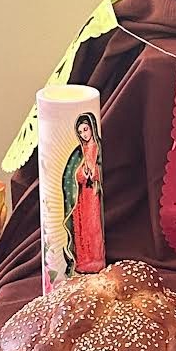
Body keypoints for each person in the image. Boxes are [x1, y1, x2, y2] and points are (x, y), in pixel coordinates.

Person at [62, 112, 105, 274]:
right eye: (80, 132)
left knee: (94, 227)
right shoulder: (79, 152)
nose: (84, 134)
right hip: (81, 197)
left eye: (86, 129)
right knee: (83, 228)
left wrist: (94, 172)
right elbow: (71, 174)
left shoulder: (99, 148)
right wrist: (82, 173)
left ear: (92, 127)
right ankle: (83, 262)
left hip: (93, 194)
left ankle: (96, 261)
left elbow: (102, 170)